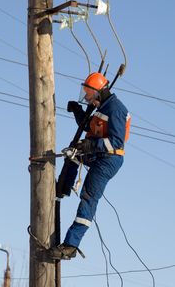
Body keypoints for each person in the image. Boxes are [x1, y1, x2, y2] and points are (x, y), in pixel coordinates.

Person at [47, 72, 131, 260]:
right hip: (97, 154)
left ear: (99, 92)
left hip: (109, 159)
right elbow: (90, 128)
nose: (86, 97)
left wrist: (91, 145)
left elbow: (117, 142)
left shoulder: (116, 109)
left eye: (88, 93)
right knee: (73, 156)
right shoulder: (102, 106)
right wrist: (77, 111)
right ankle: (61, 190)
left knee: (88, 196)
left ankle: (71, 246)